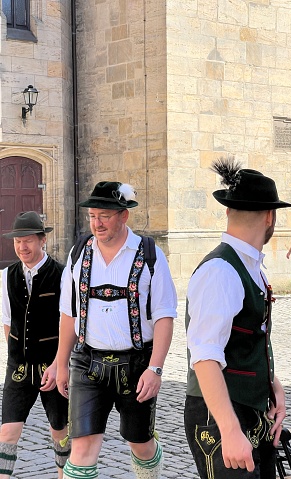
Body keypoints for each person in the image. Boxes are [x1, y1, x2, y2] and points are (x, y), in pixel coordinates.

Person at [56, 181, 177, 479]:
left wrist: (156, 369)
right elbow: (69, 314)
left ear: (124, 216)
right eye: (92, 216)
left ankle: (150, 460)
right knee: (81, 450)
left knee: (141, 444)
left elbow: (164, 316)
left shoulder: (150, 255)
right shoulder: (78, 255)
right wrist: (60, 364)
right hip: (87, 364)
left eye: (104, 216)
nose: (96, 224)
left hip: (136, 365)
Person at [184, 157, 291, 479]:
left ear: (229, 210)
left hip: (248, 411)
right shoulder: (220, 271)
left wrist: (272, 387)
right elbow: (204, 358)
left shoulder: (248, 266)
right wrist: (230, 431)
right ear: (270, 217)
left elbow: (245, 339)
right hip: (219, 416)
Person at [0, 211, 70, 479]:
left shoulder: (63, 276)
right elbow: (8, 321)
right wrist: (16, 355)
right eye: (18, 241)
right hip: (18, 367)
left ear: (43, 241)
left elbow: (69, 323)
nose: (22, 247)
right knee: (7, 431)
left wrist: (60, 364)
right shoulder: (7, 276)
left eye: (28, 240)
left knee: (59, 430)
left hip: (53, 365)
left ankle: (63, 475)